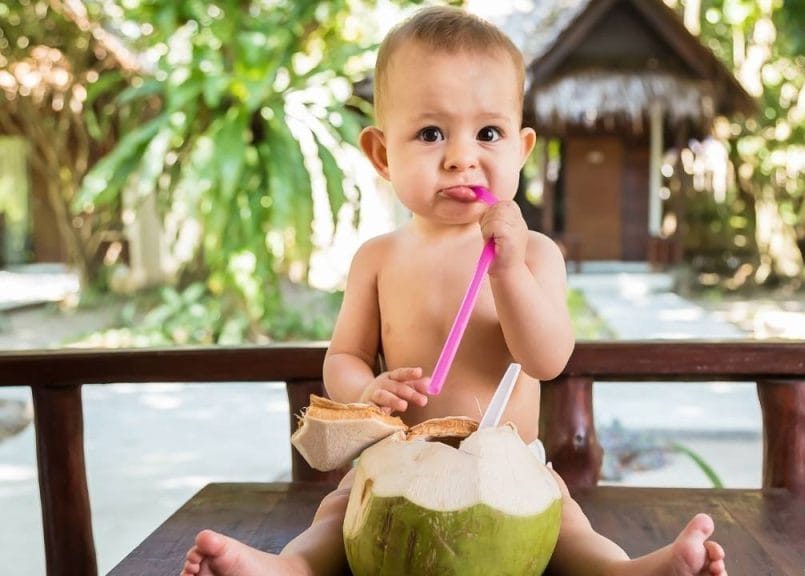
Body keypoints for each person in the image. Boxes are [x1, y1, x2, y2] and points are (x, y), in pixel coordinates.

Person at [181, 6, 726, 576]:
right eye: (431, 133)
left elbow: (547, 359)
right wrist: (367, 390)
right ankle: (288, 569)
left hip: (507, 468)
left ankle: (626, 572)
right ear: (383, 155)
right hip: (400, 464)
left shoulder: (535, 254)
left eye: (488, 133)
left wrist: (509, 272)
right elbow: (343, 358)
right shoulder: (379, 258)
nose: (462, 156)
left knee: (566, 522)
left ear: (521, 148)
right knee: (336, 513)